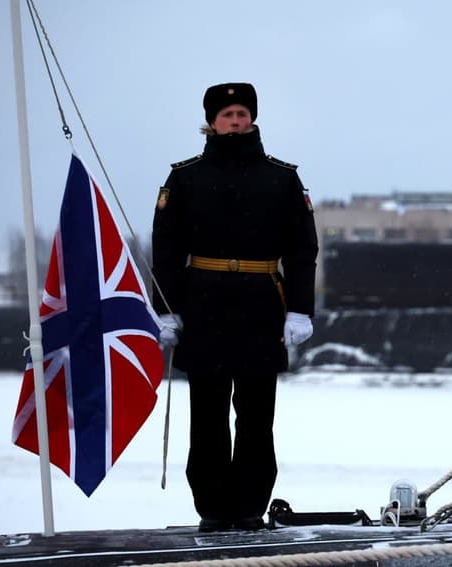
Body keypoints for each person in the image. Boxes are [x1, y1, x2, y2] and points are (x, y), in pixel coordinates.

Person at [151, 82, 318, 532]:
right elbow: (165, 249)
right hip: (203, 302)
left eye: (243, 113)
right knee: (206, 412)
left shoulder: (282, 177)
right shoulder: (184, 177)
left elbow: (303, 249)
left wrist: (301, 309)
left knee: (256, 412)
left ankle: (248, 505)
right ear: (212, 121)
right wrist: (165, 309)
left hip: (262, 300)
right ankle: (212, 506)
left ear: (253, 119)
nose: (236, 121)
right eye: (228, 115)